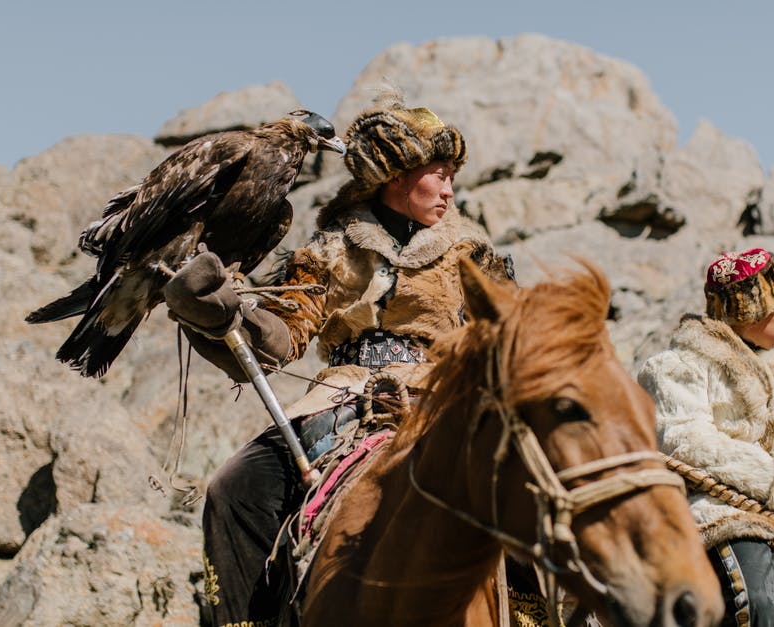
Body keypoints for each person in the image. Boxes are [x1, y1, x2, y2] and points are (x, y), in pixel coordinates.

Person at [162, 93, 515, 626]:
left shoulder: (472, 253)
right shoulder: (329, 249)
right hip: (341, 397)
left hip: (443, 392)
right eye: (437, 175)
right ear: (396, 177)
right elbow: (287, 331)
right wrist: (229, 317)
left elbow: (511, 329)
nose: (448, 189)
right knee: (231, 488)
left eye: (451, 176)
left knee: (533, 485)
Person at [637, 248, 774, 627]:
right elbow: (686, 441)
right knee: (760, 606)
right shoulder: (675, 366)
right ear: (751, 310)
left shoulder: (768, 371)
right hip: (713, 511)